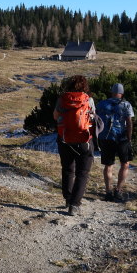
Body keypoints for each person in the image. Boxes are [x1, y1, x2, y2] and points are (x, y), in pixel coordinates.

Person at [53, 75, 96, 216]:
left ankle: (68, 198)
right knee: (82, 173)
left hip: (65, 138)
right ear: (85, 86)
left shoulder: (62, 99)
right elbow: (93, 116)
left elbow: (55, 116)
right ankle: (75, 205)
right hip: (84, 140)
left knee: (67, 169)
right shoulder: (88, 99)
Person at [96, 83, 135, 202]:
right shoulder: (126, 105)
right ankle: (118, 191)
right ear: (122, 93)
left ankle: (108, 192)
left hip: (106, 137)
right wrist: (129, 138)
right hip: (122, 138)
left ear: (111, 92)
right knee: (125, 164)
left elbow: (96, 119)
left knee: (108, 166)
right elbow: (129, 122)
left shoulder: (102, 104)